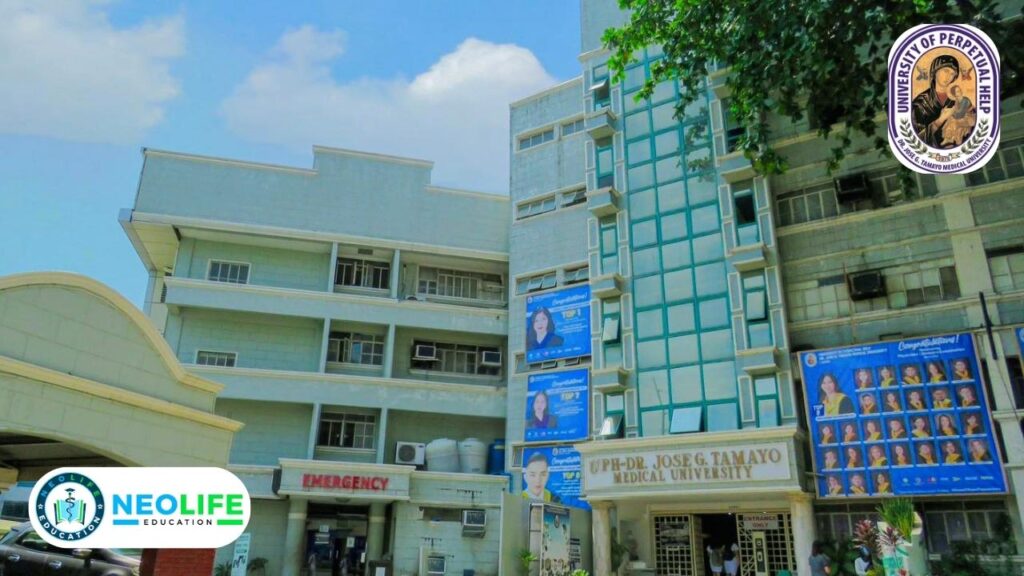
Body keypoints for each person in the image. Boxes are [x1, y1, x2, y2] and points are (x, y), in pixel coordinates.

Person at [911, 54, 961, 148]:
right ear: (935, 71)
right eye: (946, 71)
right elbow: (916, 140)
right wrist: (940, 120)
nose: (948, 77)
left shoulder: (957, 100)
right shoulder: (921, 103)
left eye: (952, 74)